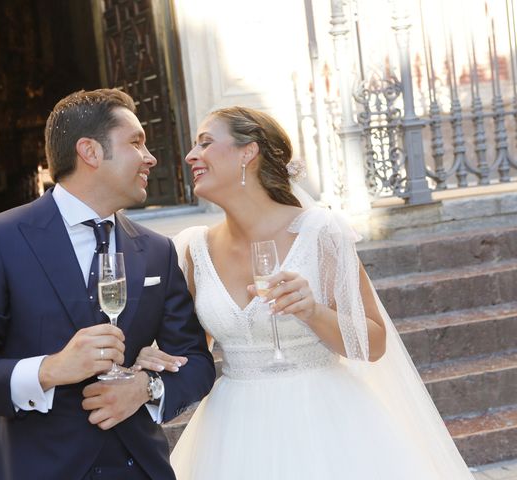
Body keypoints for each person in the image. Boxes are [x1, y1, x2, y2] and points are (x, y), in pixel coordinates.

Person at [134, 106, 474, 479]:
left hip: (324, 418)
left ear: (248, 152)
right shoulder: (192, 249)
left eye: (206, 143)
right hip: (235, 429)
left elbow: (373, 344)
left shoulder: (318, 233)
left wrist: (313, 311)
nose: (190, 156)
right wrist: (154, 355)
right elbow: (193, 350)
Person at [0, 89, 215, 480]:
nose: (150, 157)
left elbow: (197, 362)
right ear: (90, 152)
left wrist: (147, 387)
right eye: (136, 142)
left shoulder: (156, 251)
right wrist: (50, 369)